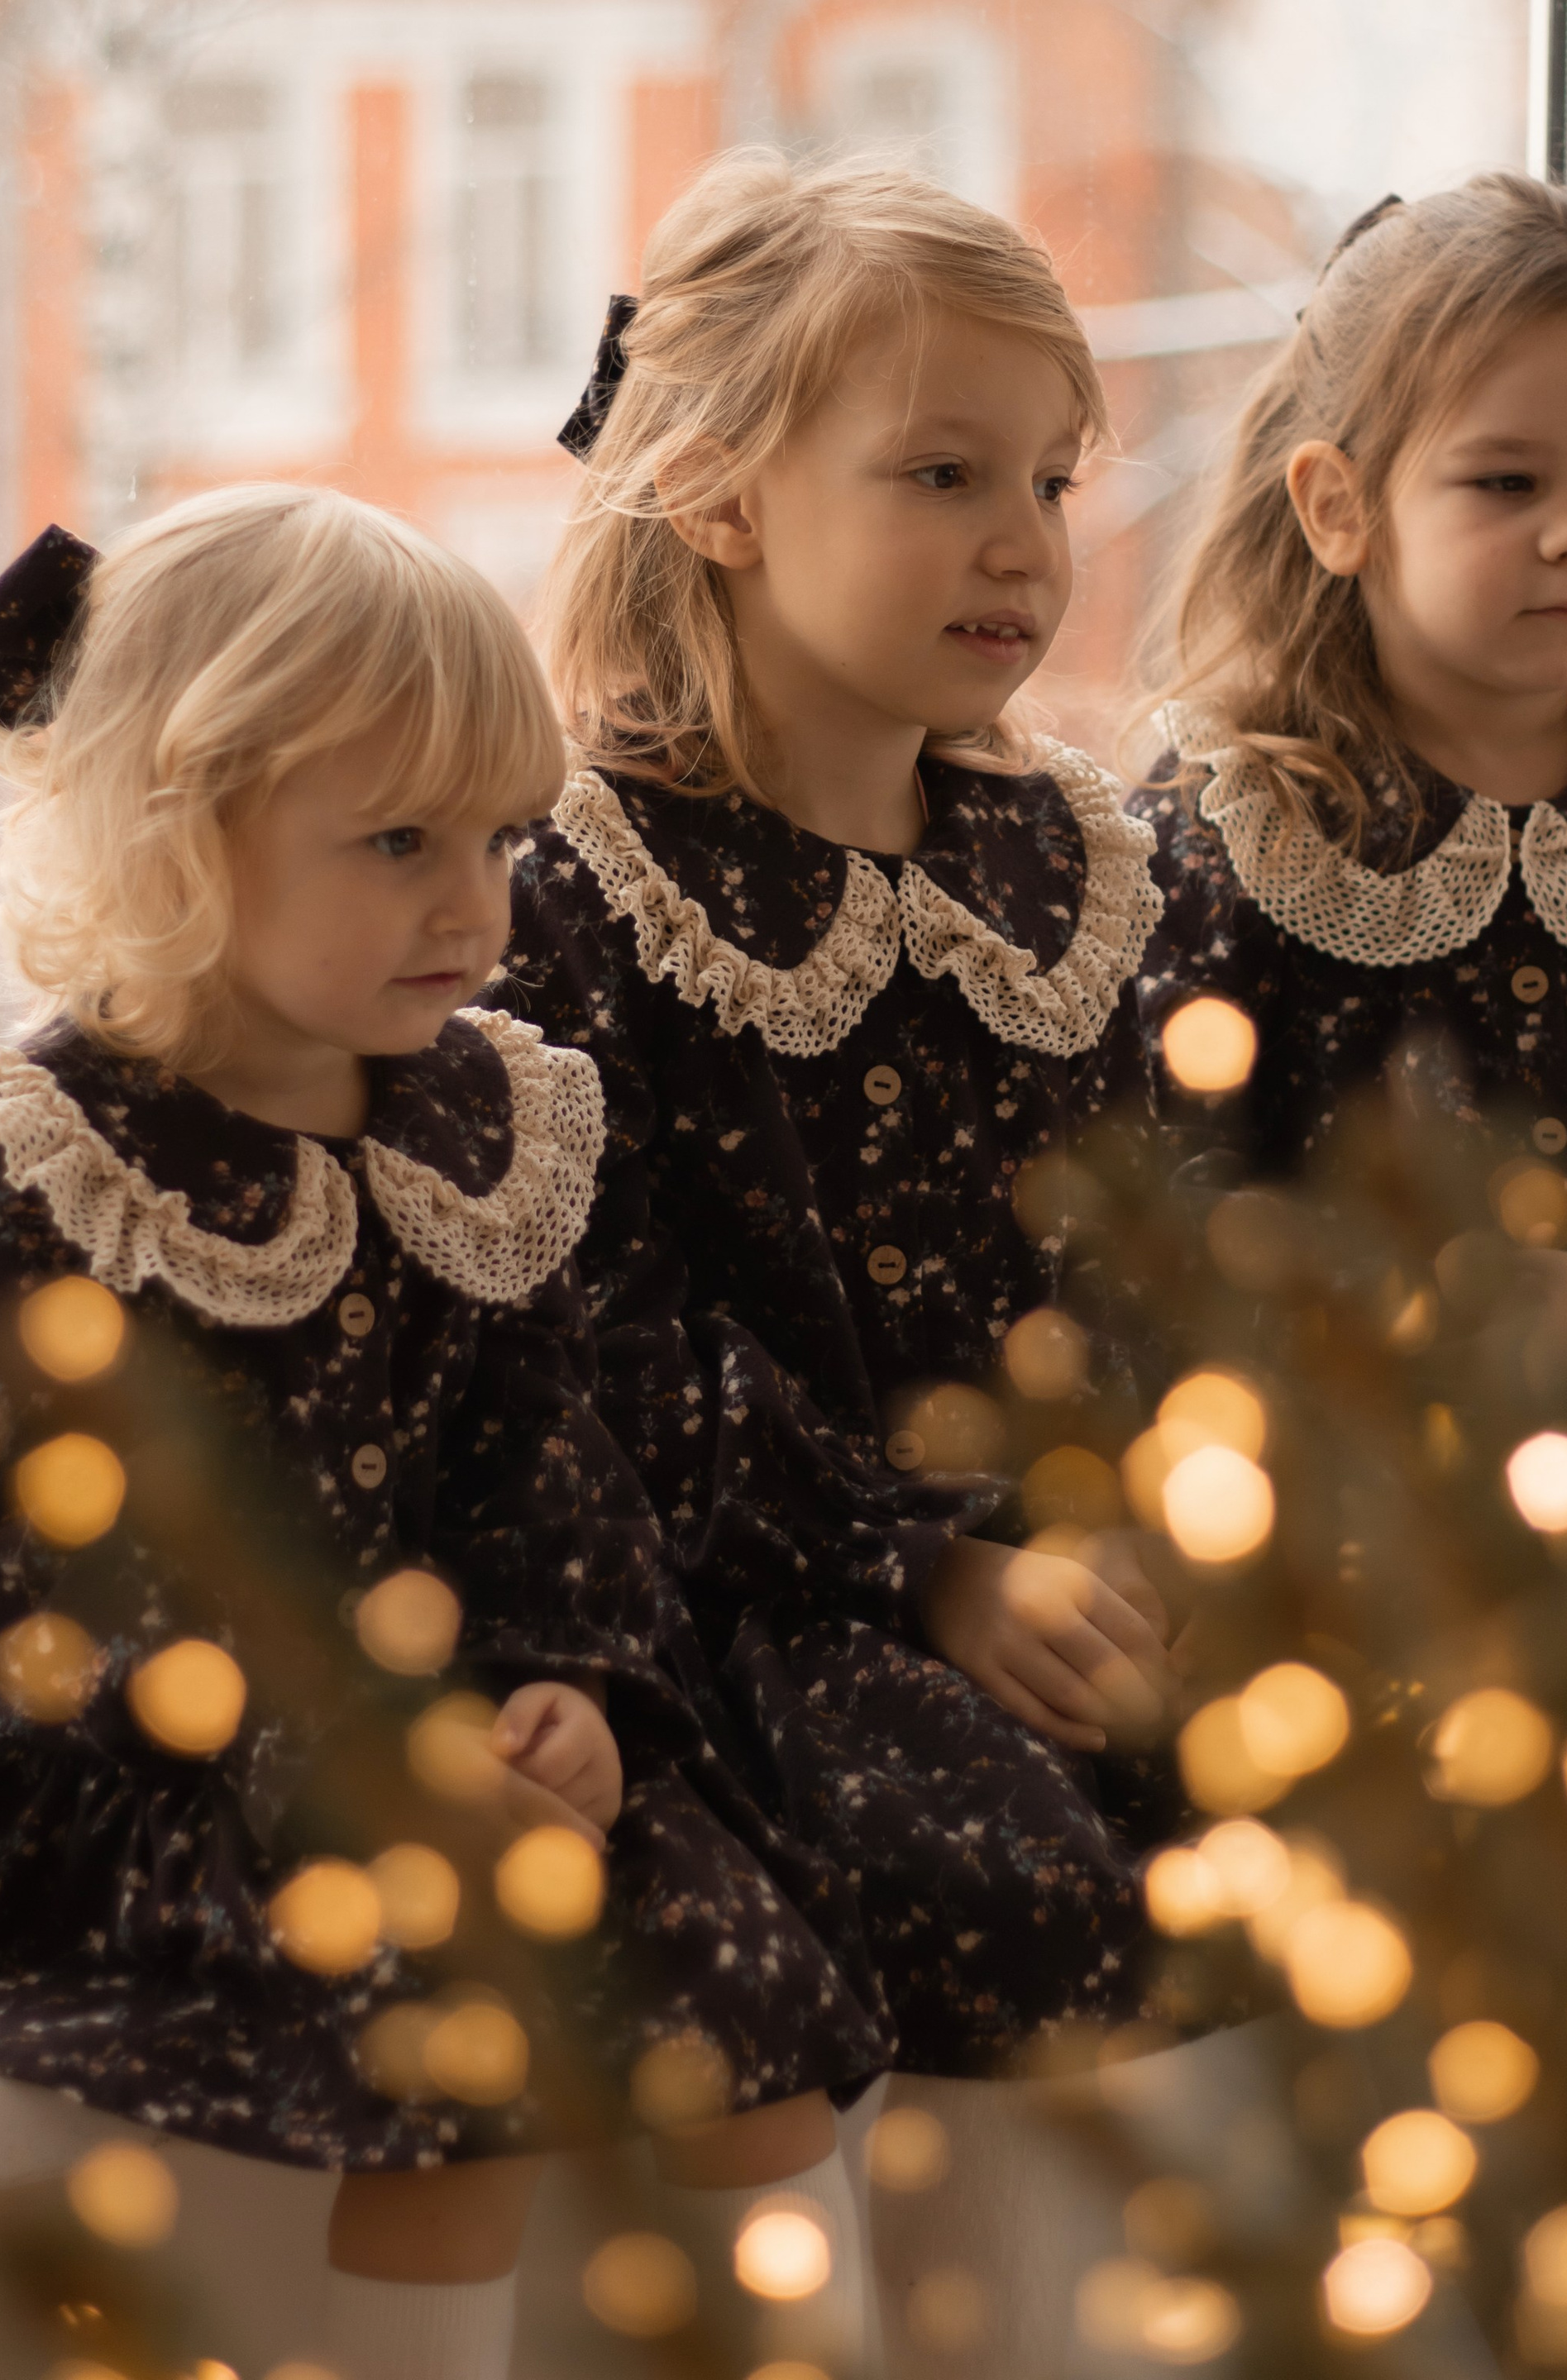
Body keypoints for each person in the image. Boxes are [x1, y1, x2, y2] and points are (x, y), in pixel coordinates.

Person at [0, 488, 891, 2380]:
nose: (475, 907)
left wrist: (561, 1682)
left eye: (499, 837)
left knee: (753, 2010)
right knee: (455, 2050)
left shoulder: (475, 1120)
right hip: (149, 1750)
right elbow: (64, 1572)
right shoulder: (46, 1176)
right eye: (399, 842)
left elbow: (535, 1459)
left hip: (440, 1715)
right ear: (182, 837)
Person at [491, 152, 1192, 2363]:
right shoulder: (580, 893)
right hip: (772, 1589)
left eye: (1054, 480)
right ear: (715, 495)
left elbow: (1144, 1244)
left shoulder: (1064, 863)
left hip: (1081, 1541)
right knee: (1004, 1876)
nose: (1025, 543)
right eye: (942, 472)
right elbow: (604, 1343)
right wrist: (934, 1574)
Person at [1132, 175, 1567, 1445]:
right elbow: (1166, 1185)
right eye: (1508, 484)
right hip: (1354, 1431)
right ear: (1339, 508)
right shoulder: (1246, 821)